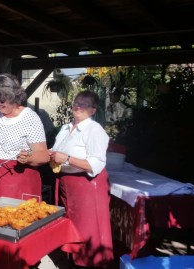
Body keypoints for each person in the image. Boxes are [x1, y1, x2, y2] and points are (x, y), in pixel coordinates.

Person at [49, 90, 113, 268]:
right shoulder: (65, 128)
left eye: (84, 104)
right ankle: (73, 262)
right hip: (66, 184)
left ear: (93, 110)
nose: (78, 106)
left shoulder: (95, 130)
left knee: (88, 230)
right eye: (76, 102)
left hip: (87, 185)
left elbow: (97, 163)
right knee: (71, 226)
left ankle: (90, 264)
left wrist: (67, 159)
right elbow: (57, 152)